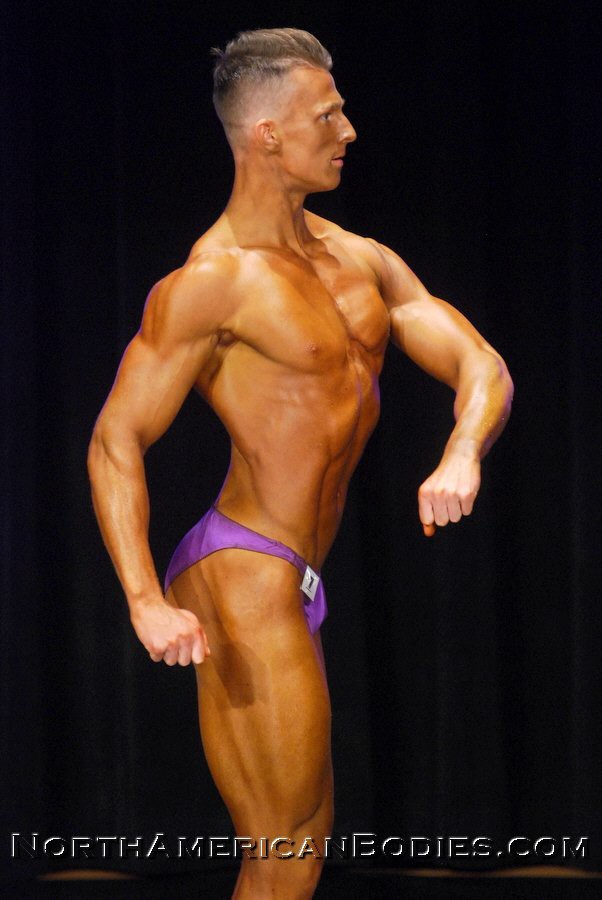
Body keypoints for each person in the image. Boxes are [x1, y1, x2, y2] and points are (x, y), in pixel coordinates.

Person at [87, 27, 513, 899]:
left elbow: (481, 364)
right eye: (328, 115)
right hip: (243, 568)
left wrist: (462, 452)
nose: (349, 130)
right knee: (283, 850)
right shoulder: (211, 281)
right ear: (268, 133)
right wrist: (143, 599)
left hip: (299, 574)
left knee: (301, 847)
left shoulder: (362, 260)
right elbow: (114, 440)